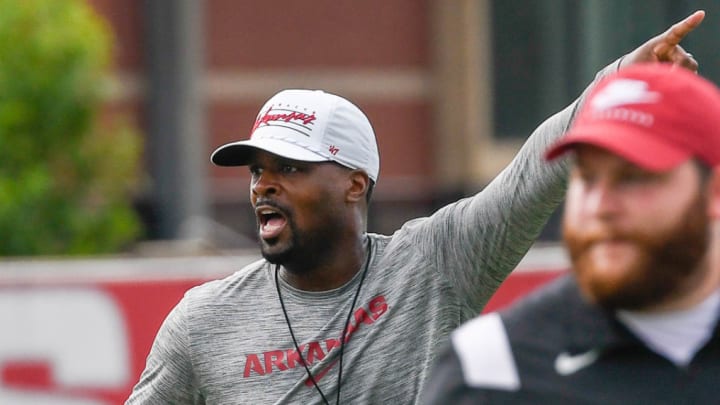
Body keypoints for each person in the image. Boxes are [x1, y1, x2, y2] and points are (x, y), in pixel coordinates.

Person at [126, 12, 704, 405]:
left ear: (355, 184)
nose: (263, 187)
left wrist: (622, 83)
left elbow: (534, 172)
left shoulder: (435, 262)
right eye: (257, 171)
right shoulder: (202, 321)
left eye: (290, 169)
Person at [422, 62, 720, 404]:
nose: (600, 206)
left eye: (635, 178)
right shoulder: (491, 369)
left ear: (713, 194)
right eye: (587, 177)